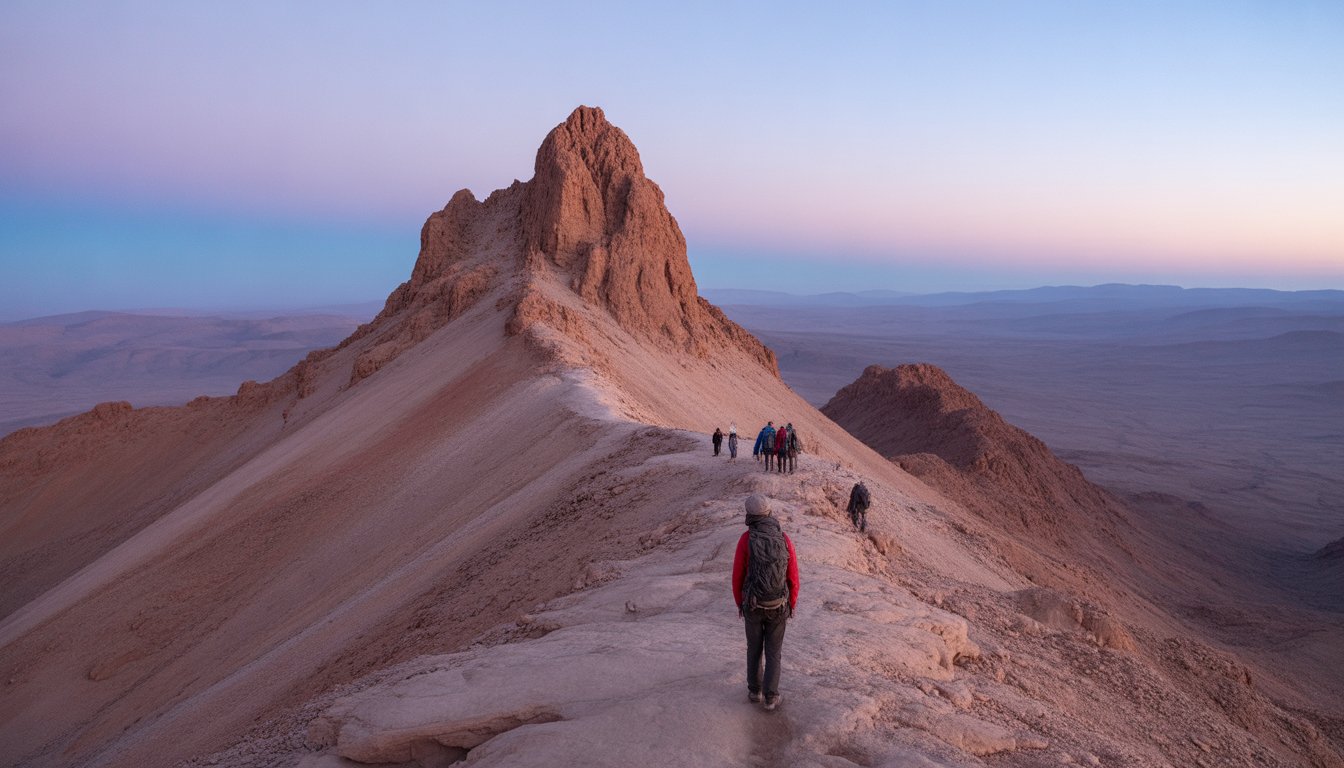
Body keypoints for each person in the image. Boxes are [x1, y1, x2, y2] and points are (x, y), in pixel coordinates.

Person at [731, 494, 799, 711]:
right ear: (769, 513)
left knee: (754, 648)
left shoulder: (745, 539)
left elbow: (737, 576)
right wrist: (792, 604)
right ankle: (771, 697)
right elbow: (793, 576)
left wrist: (740, 603)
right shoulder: (784, 538)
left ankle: (754, 692)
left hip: (752, 604)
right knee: (773, 651)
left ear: (750, 515)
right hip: (778, 605)